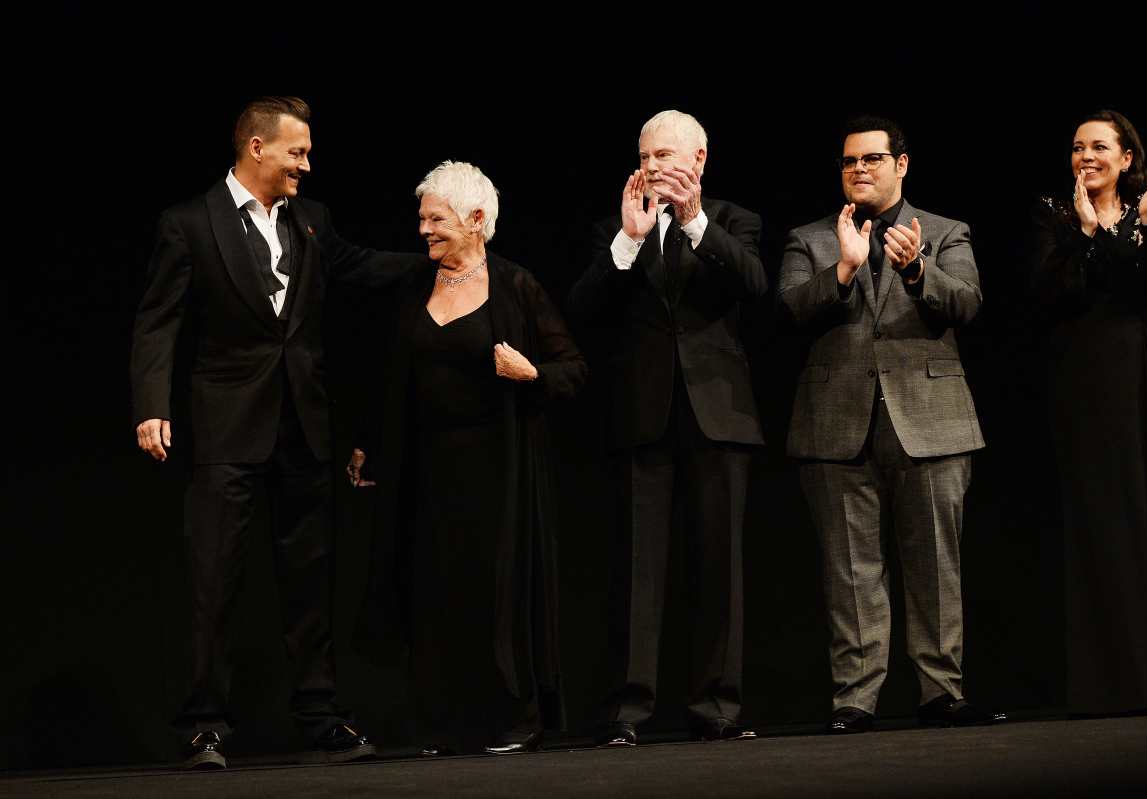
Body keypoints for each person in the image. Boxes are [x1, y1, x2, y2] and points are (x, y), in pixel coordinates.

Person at [131, 96, 423, 769]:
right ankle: (204, 722)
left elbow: (356, 265)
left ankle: (320, 715)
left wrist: (436, 256)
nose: (307, 164)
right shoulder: (190, 224)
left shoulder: (312, 222)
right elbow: (158, 320)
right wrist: (152, 402)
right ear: (257, 148)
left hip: (303, 425)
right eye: (298, 151)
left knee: (309, 580)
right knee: (214, 579)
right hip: (228, 426)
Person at [348, 161, 586, 756]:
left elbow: (573, 371)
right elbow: (389, 374)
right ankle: (437, 720)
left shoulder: (517, 286)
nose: (424, 230)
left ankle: (512, 714)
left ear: (477, 219)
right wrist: (369, 442)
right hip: (426, 467)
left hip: (498, 467)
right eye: (422, 218)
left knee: (494, 590)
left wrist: (531, 373)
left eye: (436, 219)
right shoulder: (413, 287)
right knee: (430, 590)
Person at [777, 115, 1003, 734]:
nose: (859, 169)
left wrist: (917, 272)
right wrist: (844, 271)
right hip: (836, 422)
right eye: (850, 161)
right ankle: (855, 698)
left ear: (901, 165)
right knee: (850, 570)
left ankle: (941, 691)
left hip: (929, 420)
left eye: (873, 159)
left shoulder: (946, 231)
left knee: (935, 560)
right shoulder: (810, 238)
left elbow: (967, 302)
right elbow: (791, 307)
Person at [568, 110, 766, 746]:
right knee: (639, 570)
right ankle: (630, 712)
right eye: (646, 156)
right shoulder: (615, 227)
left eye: (666, 156)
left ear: (699, 160)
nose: (653, 167)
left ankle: (718, 709)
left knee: (719, 567)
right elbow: (582, 309)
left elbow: (755, 285)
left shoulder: (734, 221)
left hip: (718, 413)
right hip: (640, 413)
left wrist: (694, 222)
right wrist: (627, 243)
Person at [1031, 110, 1147, 715]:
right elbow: (1053, 293)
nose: (1086, 156)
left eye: (1099, 146)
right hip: (1084, 379)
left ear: (1127, 157)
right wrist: (1082, 232)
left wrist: (1144, 221)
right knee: (1100, 513)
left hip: (1146, 372)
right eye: (1077, 147)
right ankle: (1106, 685)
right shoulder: (1054, 212)